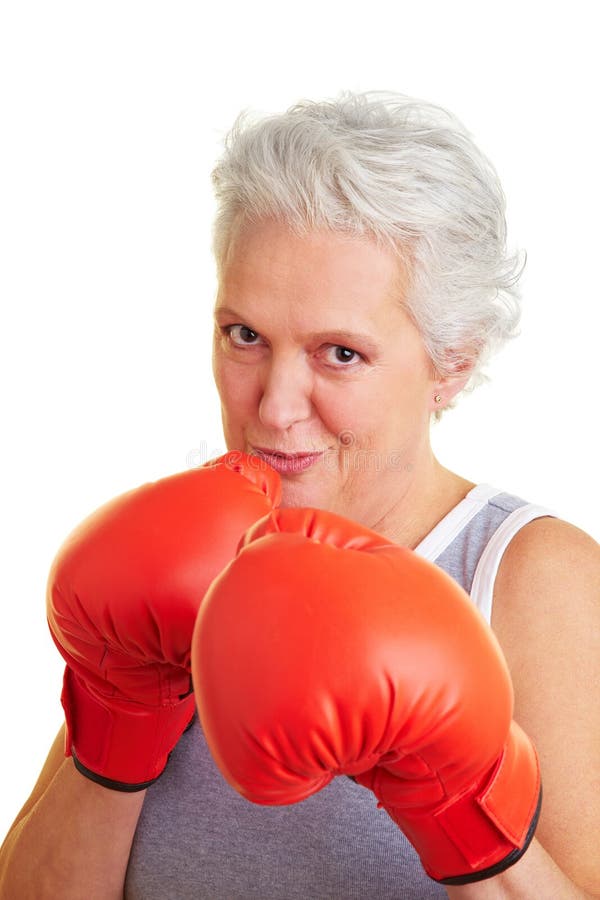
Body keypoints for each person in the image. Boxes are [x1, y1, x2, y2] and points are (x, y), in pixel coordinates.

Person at [1, 91, 598, 899]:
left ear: (451, 361)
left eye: (340, 353)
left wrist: (463, 809)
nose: (275, 407)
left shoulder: (529, 580)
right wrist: (118, 717)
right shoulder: (178, 562)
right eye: (245, 335)